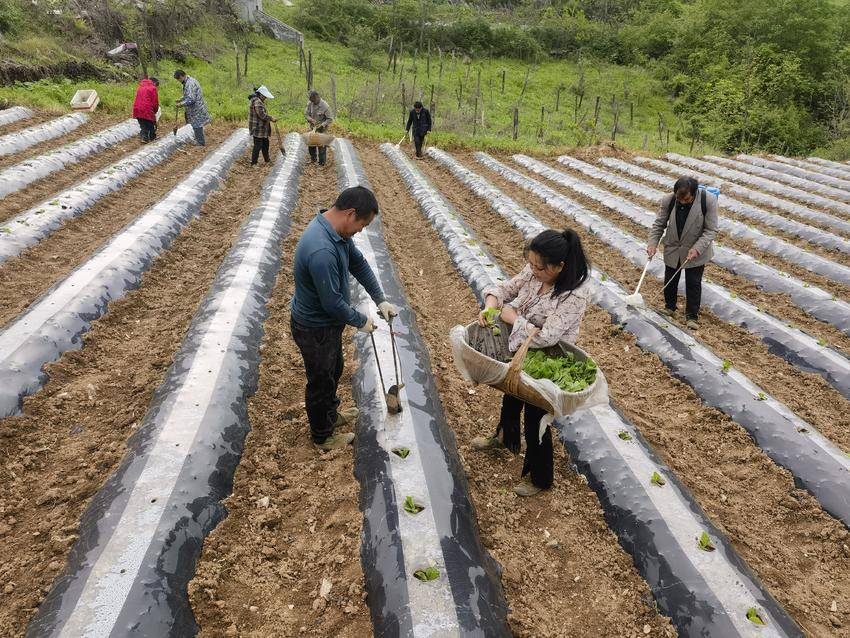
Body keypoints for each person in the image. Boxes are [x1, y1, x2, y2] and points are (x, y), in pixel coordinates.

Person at [473, 229, 591, 496]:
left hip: (549, 359)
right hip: (521, 349)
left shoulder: (574, 294)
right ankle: (505, 438)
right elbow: (507, 287)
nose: (533, 270)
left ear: (560, 266)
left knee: (536, 417)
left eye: (540, 267)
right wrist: (492, 303)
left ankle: (541, 478)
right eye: (531, 264)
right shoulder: (533, 271)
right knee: (511, 392)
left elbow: (548, 337)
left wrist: (513, 318)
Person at [290, 186, 398, 451]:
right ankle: (322, 436)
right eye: (363, 224)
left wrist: (379, 298)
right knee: (321, 380)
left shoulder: (336, 232)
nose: (362, 230)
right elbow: (332, 303)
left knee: (333, 370)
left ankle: (330, 415)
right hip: (315, 327)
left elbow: (358, 263)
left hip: (327, 325)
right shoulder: (321, 250)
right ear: (351, 214)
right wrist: (361, 320)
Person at [647, 176, 718, 330]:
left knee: (693, 282)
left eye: (686, 199)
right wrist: (653, 244)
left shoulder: (708, 201)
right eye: (680, 199)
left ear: (694, 193)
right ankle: (669, 308)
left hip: (695, 249)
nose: (682, 202)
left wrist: (697, 248)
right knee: (670, 278)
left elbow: (710, 230)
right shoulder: (669, 200)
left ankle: (692, 316)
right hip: (673, 246)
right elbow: (659, 224)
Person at [174, 69, 210, 147]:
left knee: (197, 125)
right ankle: (199, 140)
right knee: (196, 125)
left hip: (196, 108)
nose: (179, 81)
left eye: (178, 79)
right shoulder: (188, 81)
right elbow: (188, 95)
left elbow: (191, 99)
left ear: (181, 76)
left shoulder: (190, 84)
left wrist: (181, 104)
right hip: (195, 108)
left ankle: (200, 143)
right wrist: (181, 99)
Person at [249, 85, 276, 165]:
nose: (265, 97)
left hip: (262, 128)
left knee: (265, 144)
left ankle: (267, 160)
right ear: (260, 94)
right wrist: (271, 118)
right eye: (264, 96)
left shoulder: (259, 101)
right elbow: (261, 115)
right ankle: (254, 163)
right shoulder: (257, 102)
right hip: (257, 127)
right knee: (258, 146)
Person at [304, 90, 333, 166]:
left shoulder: (325, 106)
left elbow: (330, 119)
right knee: (311, 144)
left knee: (321, 146)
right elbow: (306, 114)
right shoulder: (310, 103)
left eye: (312, 99)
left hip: (322, 129)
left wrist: (322, 125)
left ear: (316, 97)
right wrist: (310, 119)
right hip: (312, 128)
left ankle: (322, 163)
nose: (311, 101)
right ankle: (313, 159)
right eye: (310, 100)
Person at [132, 77, 159, 143]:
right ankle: (151, 138)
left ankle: (144, 137)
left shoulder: (140, 87)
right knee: (151, 124)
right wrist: (155, 111)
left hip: (137, 108)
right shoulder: (153, 88)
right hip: (147, 109)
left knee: (143, 125)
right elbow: (155, 102)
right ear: (154, 83)